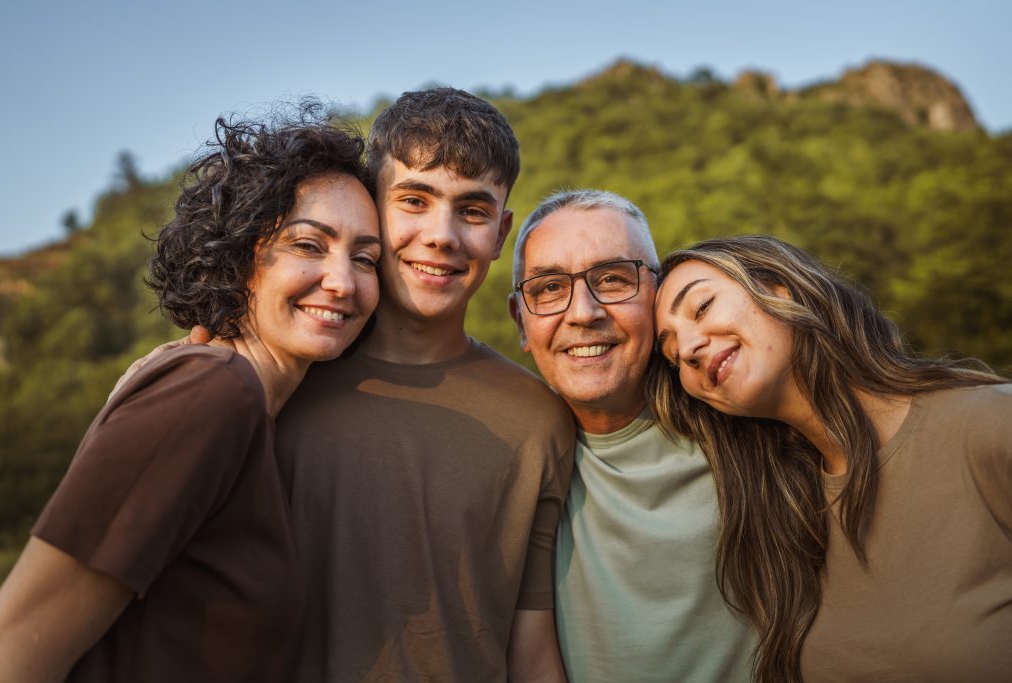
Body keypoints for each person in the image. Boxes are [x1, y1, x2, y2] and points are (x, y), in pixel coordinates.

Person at [0, 106, 381, 682]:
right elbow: (11, 647)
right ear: (242, 254)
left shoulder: (255, 409)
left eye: (365, 258)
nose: (342, 281)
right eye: (308, 245)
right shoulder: (213, 391)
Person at [271, 88, 575, 681]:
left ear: (502, 231)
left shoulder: (539, 418)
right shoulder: (282, 382)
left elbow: (531, 647)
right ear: (370, 208)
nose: (442, 235)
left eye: (474, 210)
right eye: (414, 199)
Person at [651, 234, 1012, 683]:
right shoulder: (780, 525)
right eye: (671, 355)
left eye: (701, 307)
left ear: (779, 287)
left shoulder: (991, 427)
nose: (687, 349)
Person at [508, 189, 756, 682]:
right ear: (521, 320)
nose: (583, 312)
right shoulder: (514, 465)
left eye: (613, 278)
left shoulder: (750, 433)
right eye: (550, 288)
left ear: (657, 297)